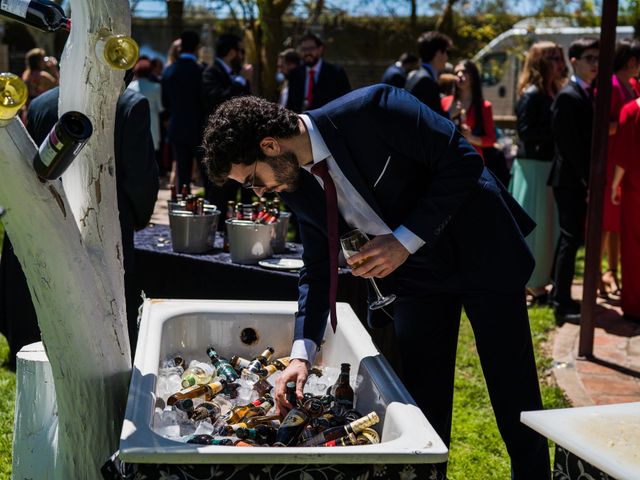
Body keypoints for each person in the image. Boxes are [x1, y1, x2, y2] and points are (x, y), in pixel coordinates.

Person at [202, 85, 550, 479]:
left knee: (514, 396)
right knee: (421, 408)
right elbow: (317, 268)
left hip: (481, 252)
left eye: (251, 180)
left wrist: (403, 242)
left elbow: (463, 160)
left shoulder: (374, 109)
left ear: (269, 145)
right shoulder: (295, 183)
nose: (259, 191)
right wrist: (303, 351)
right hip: (417, 282)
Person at [0, 83, 159, 365]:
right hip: (104, 223)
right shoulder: (130, 105)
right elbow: (140, 179)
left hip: (48, 220)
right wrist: (136, 217)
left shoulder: (42, 103)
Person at [510, 42, 566, 306]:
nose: (559, 62)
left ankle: (540, 281)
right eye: (553, 57)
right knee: (534, 227)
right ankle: (529, 284)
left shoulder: (552, 92)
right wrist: (558, 133)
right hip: (532, 167)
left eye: (559, 56)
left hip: (546, 166)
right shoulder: (531, 94)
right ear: (540, 62)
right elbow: (526, 132)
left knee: (548, 227)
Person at [548, 38, 600, 322]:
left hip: (575, 179)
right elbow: (570, 147)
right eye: (590, 58)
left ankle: (561, 294)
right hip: (570, 180)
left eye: (597, 59)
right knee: (570, 239)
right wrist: (588, 182)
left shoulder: (586, 92)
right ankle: (562, 303)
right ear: (574, 60)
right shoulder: (569, 95)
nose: (595, 64)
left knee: (570, 239)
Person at [600, 38, 640, 299]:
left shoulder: (632, 85)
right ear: (631, 61)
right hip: (611, 161)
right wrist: (625, 124)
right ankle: (597, 275)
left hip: (625, 161)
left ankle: (612, 271)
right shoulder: (612, 86)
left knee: (618, 224)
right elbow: (602, 124)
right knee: (605, 222)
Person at [161, 31, 205, 193]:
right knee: (205, 172)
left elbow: (165, 102)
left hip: (177, 126)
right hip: (199, 127)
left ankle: (183, 206)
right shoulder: (201, 71)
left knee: (182, 172)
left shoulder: (169, 71)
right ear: (197, 48)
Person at [611, 96, 640, 323]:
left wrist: (614, 185)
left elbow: (622, 155)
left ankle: (633, 306)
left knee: (632, 248)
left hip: (634, 191)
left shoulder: (630, 111)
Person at [441, 59, 496, 161]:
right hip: (446, 158)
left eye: (464, 71)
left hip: (472, 160)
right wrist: (450, 114)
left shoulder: (484, 106)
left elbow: (491, 139)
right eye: (456, 72)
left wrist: (471, 138)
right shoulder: (444, 102)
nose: (460, 74)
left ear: (473, 76)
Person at [285, 32, 351, 113]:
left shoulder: (336, 73)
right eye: (304, 49)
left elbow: (346, 102)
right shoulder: (295, 74)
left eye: (311, 48)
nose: (307, 53)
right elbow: (290, 105)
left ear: (320, 49)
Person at [128, 58, 165, 176]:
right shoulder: (156, 87)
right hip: (152, 122)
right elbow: (160, 107)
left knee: (137, 152)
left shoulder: (129, 87)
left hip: (134, 122)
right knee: (152, 154)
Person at [405, 31, 452, 116]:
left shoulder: (415, 76)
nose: (447, 57)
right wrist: (451, 113)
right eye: (446, 52)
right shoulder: (426, 81)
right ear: (438, 53)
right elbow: (434, 120)